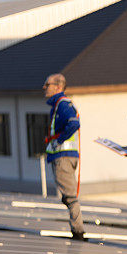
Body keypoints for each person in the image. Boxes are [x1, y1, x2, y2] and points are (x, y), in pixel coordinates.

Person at [43, 73, 85, 241]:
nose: (44, 88)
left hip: (64, 157)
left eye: (48, 84)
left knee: (70, 196)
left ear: (58, 87)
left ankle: (78, 232)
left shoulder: (63, 105)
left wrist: (59, 141)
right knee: (67, 196)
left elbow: (74, 123)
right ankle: (77, 230)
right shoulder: (58, 105)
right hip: (63, 157)